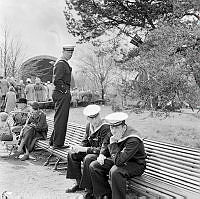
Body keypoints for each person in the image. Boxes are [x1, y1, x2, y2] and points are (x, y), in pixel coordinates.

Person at [89, 112, 147, 199]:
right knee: (95, 165)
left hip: (136, 165)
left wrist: (112, 144)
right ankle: (104, 195)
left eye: (117, 127)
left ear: (124, 127)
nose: (113, 130)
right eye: (112, 127)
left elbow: (118, 162)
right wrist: (101, 154)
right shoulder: (114, 132)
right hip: (120, 160)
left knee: (115, 171)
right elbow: (105, 143)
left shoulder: (133, 139)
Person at [65, 105, 111, 199]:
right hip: (91, 151)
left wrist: (84, 149)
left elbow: (104, 149)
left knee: (88, 158)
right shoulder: (89, 126)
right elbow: (85, 141)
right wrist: (78, 147)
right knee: (72, 154)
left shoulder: (105, 127)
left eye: (96, 117)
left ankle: (89, 191)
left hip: (103, 155)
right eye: (92, 118)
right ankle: (78, 183)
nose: (95, 120)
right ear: (87, 118)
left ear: (99, 115)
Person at [49, 45, 74, 149]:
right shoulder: (60, 63)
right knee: (61, 119)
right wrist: (66, 91)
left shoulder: (63, 63)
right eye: (69, 53)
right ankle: (58, 144)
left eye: (72, 53)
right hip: (61, 93)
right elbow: (57, 81)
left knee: (60, 118)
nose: (70, 55)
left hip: (61, 93)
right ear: (63, 52)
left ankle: (53, 141)